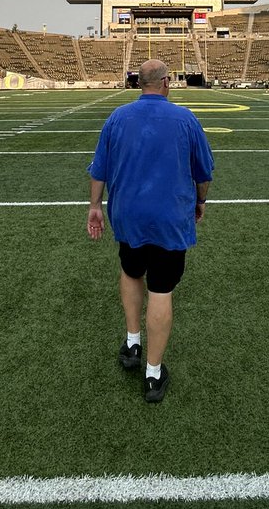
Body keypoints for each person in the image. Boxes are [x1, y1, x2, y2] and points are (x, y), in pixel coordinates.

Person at [86, 59, 214, 403]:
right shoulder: (185, 119)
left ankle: (132, 343)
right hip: (170, 215)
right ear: (166, 82)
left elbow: (99, 168)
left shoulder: (117, 118)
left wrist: (95, 206)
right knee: (161, 288)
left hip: (128, 214)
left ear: (137, 83)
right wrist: (200, 202)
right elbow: (203, 174)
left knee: (130, 271)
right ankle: (153, 375)